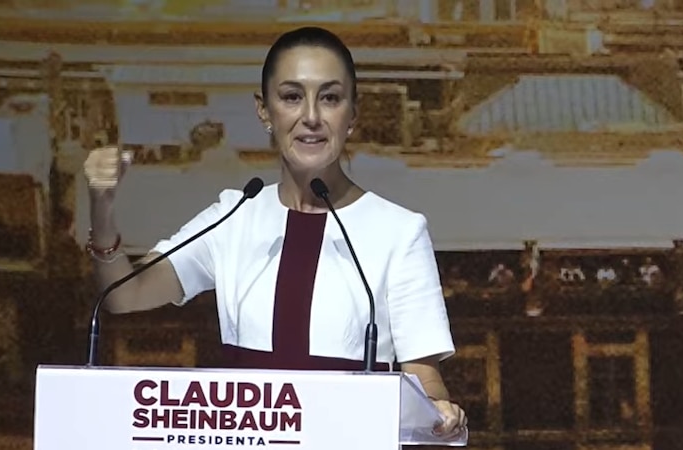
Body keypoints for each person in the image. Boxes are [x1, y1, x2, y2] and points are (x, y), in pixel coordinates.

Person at [83, 26, 467, 438]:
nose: (312, 117)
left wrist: (439, 411)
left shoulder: (399, 231)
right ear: (264, 111)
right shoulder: (234, 215)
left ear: (353, 114)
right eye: (291, 97)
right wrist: (101, 209)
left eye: (331, 98)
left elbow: (423, 378)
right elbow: (125, 295)